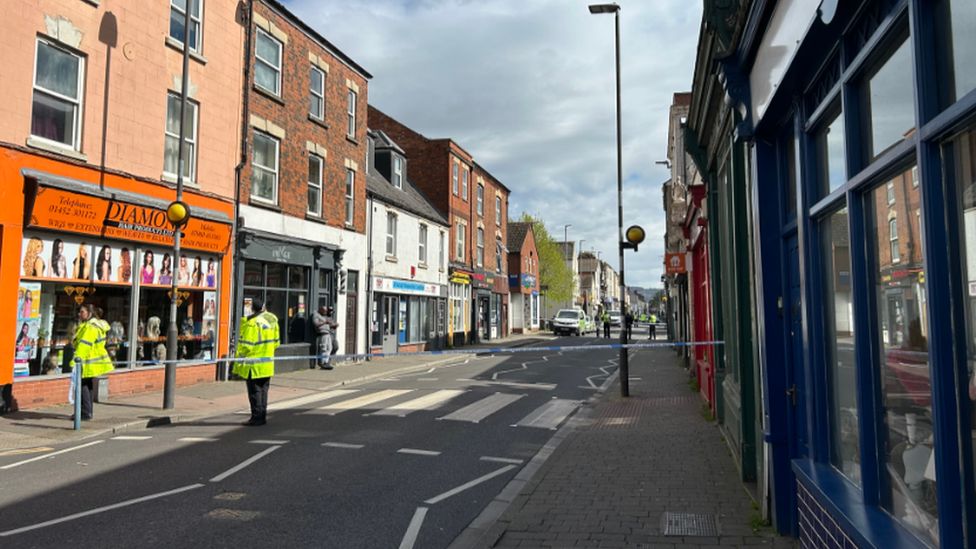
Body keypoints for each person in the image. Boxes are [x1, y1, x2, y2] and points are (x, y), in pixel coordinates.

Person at [234, 298, 279, 426]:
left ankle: (256, 418)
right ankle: (262, 416)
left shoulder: (251, 323)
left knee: (255, 392)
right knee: (264, 391)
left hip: (253, 365)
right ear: (263, 307)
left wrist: (238, 359)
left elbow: (246, 346)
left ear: (252, 309)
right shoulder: (272, 320)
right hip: (268, 363)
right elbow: (276, 342)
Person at [72, 304, 114, 420]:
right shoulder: (93, 325)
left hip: (87, 360)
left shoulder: (90, 327)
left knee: (82, 386)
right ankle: (87, 411)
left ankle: (84, 413)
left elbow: (85, 344)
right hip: (91, 360)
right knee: (87, 385)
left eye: (82, 312)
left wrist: (75, 360)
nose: (79, 314)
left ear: (89, 313)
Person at [311, 305, 339, 370]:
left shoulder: (323, 316)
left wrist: (333, 326)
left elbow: (328, 325)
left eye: (326, 311)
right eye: (325, 311)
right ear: (321, 310)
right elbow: (316, 324)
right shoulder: (316, 315)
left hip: (328, 333)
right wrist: (325, 322)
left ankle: (326, 362)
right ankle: (323, 363)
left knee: (330, 348)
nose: (326, 313)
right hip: (322, 334)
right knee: (324, 348)